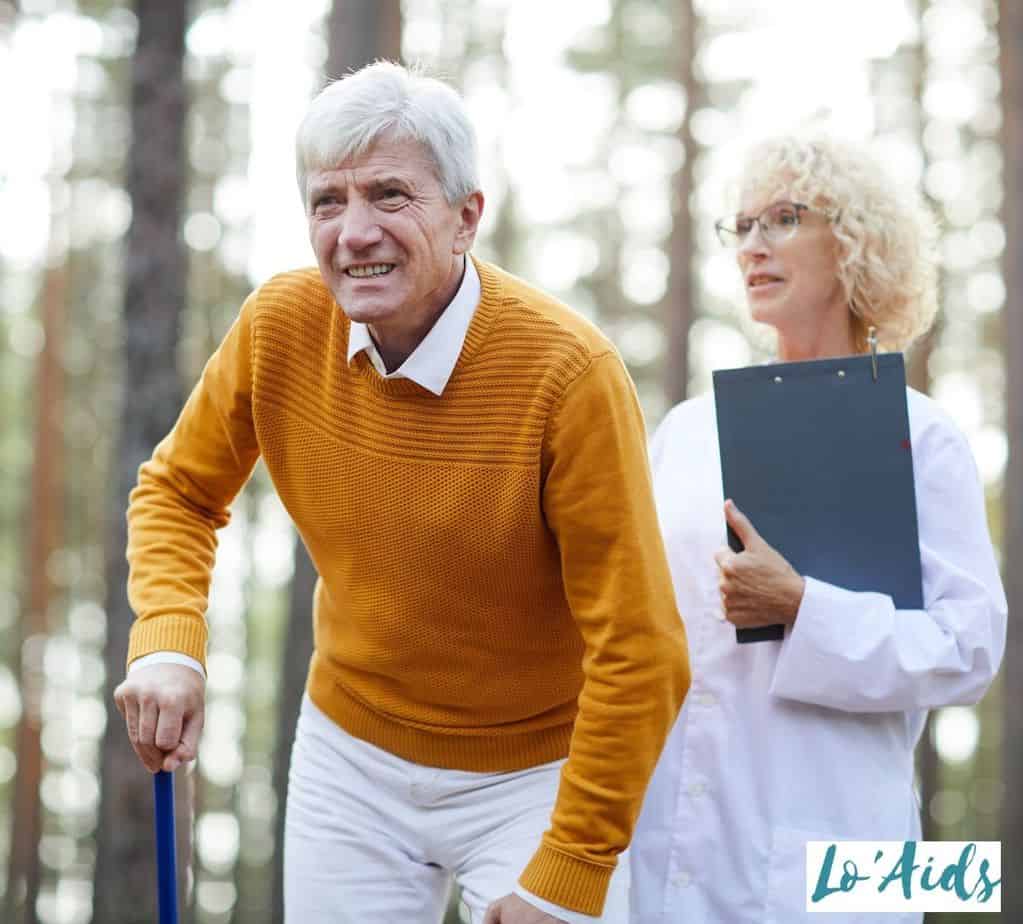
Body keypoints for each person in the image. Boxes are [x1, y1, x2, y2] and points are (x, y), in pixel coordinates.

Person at [113, 61, 690, 924]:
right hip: (352, 757)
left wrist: (569, 872)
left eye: (389, 195)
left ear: (465, 218)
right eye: (326, 201)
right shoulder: (279, 324)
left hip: (536, 774)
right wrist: (167, 639)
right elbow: (178, 490)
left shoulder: (568, 375)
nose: (353, 232)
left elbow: (640, 647)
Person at [629, 134, 1007, 923]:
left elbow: (968, 651)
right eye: (741, 227)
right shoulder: (685, 432)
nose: (751, 248)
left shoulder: (919, 432)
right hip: (671, 847)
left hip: (843, 857)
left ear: (856, 239)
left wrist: (802, 605)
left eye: (783, 219)